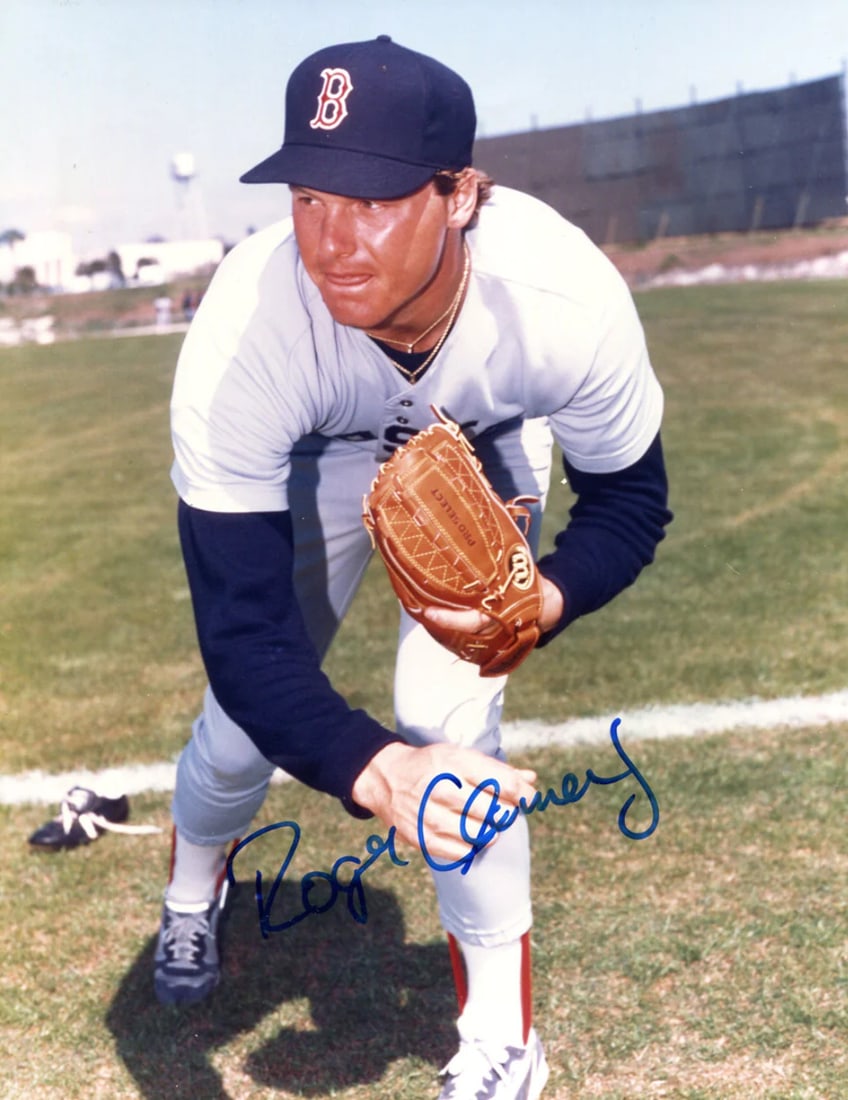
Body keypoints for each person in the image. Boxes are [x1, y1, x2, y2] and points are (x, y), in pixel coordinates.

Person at [156, 35, 672, 1100]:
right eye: (308, 195)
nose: (332, 238)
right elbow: (245, 633)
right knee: (242, 725)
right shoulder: (245, 332)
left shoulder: (561, 297)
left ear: (462, 193)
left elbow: (630, 502)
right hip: (314, 460)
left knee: (450, 723)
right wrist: (375, 771)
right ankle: (192, 885)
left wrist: (545, 596)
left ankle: (501, 1039)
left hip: (481, 444)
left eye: (376, 198)